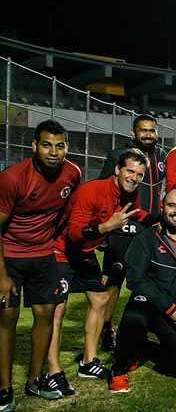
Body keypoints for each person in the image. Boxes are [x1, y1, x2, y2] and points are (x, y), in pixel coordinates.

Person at [48, 149, 147, 393]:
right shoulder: (91, 190)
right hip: (61, 250)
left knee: (100, 298)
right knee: (57, 308)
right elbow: (74, 234)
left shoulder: (130, 195)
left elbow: (139, 215)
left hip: (84, 253)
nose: (134, 178)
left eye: (139, 175)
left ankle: (88, 361)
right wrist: (106, 227)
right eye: (130, 171)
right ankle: (52, 370)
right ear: (117, 170)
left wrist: (163, 220)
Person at [0, 120, 81, 406]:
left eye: (60, 146)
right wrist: (1, 275)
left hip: (43, 255)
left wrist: (47, 244)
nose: (53, 152)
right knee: (7, 318)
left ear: (67, 148)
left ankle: (34, 382)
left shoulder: (73, 174)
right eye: (46, 145)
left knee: (45, 315)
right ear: (34, 146)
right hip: (8, 255)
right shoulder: (12, 178)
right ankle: (4, 390)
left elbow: (62, 215)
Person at [107, 189, 176, 392]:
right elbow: (136, 279)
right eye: (171, 205)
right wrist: (170, 307)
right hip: (151, 307)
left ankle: (143, 348)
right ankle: (119, 370)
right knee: (132, 319)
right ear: (162, 208)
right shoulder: (146, 238)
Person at [97, 114, 166, 353]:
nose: (148, 134)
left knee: (147, 282)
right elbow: (103, 192)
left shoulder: (160, 156)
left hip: (149, 229)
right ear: (133, 133)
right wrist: (106, 231)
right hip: (123, 230)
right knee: (115, 281)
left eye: (151, 131)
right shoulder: (118, 156)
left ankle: (140, 328)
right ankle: (105, 329)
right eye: (143, 130)